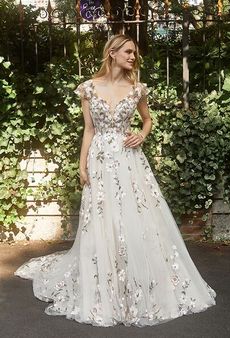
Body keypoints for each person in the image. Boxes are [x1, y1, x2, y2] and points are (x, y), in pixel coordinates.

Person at [14, 34, 216, 327]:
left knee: (135, 218)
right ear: (112, 53)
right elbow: (88, 130)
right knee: (102, 219)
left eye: (134, 53)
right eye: (129, 51)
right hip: (99, 160)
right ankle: (104, 282)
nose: (133, 57)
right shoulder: (89, 89)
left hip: (128, 160)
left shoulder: (137, 90)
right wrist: (81, 165)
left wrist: (142, 135)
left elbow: (147, 120)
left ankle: (137, 282)